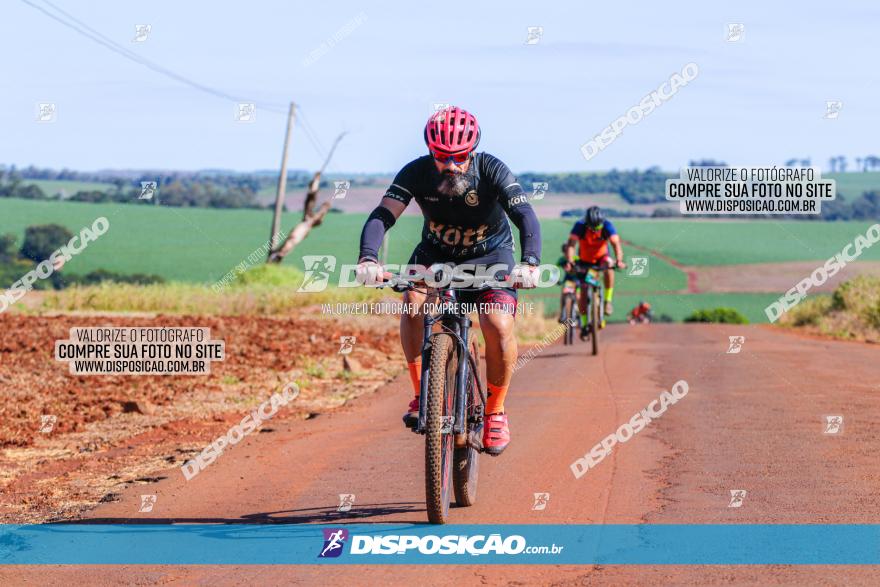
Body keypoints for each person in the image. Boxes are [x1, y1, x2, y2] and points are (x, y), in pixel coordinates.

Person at [355, 106, 542, 456]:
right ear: (431, 152)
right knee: (412, 305)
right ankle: (420, 395)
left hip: (491, 257)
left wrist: (530, 262)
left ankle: (496, 413)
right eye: (443, 157)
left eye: (459, 157)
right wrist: (368, 256)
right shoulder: (415, 172)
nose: (452, 165)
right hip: (435, 255)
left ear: (471, 152)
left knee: (497, 323)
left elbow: (524, 214)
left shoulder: (490, 169)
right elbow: (383, 215)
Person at [566, 206, 625, 337]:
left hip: (602, 258)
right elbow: (571, 245)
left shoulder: (607, 225)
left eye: (597, 227)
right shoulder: (579, 226)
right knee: (583, 290)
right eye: (592, 227)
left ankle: (608, 301)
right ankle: (585, 323)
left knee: (609, 267)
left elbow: (616, 245)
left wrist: (619, 260)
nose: (595, 229)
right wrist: (570, 261)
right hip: (584, 261)